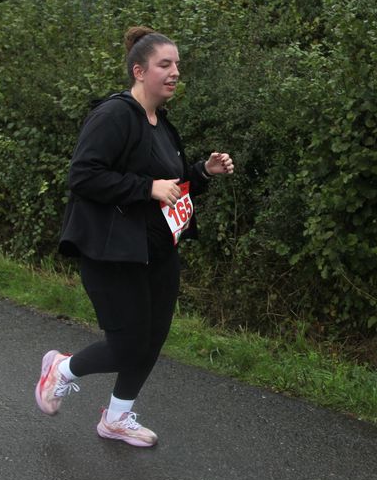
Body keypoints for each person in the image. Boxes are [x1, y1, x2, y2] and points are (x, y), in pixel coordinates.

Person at [34, 26, 235, 447]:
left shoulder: (162, 124)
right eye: (165, 64)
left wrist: (202, 172)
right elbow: (83, 176)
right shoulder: (114, 115)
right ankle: (61, 370)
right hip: (112, 253)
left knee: (152, 340)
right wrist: (146, 188)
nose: (175, 72)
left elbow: (169, 186)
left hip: (157, 250)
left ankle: (116, 418)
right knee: (127, 345)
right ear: (139, 71)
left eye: (177, 64)